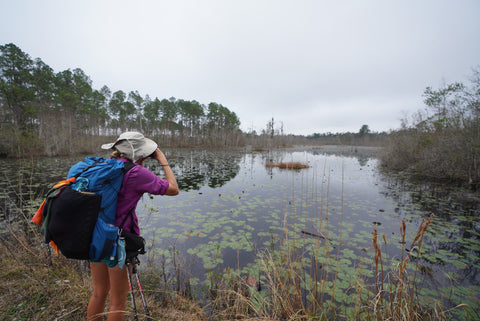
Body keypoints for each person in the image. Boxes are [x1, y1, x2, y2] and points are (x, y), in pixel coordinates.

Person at [87, 132, 179, 321]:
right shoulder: (136, 173)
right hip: (117, 242)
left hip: (94, 235)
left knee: (99, 292)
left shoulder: (104, 166)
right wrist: (162, 159)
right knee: (118, 301)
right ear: (141, 153)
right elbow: (173, 189)